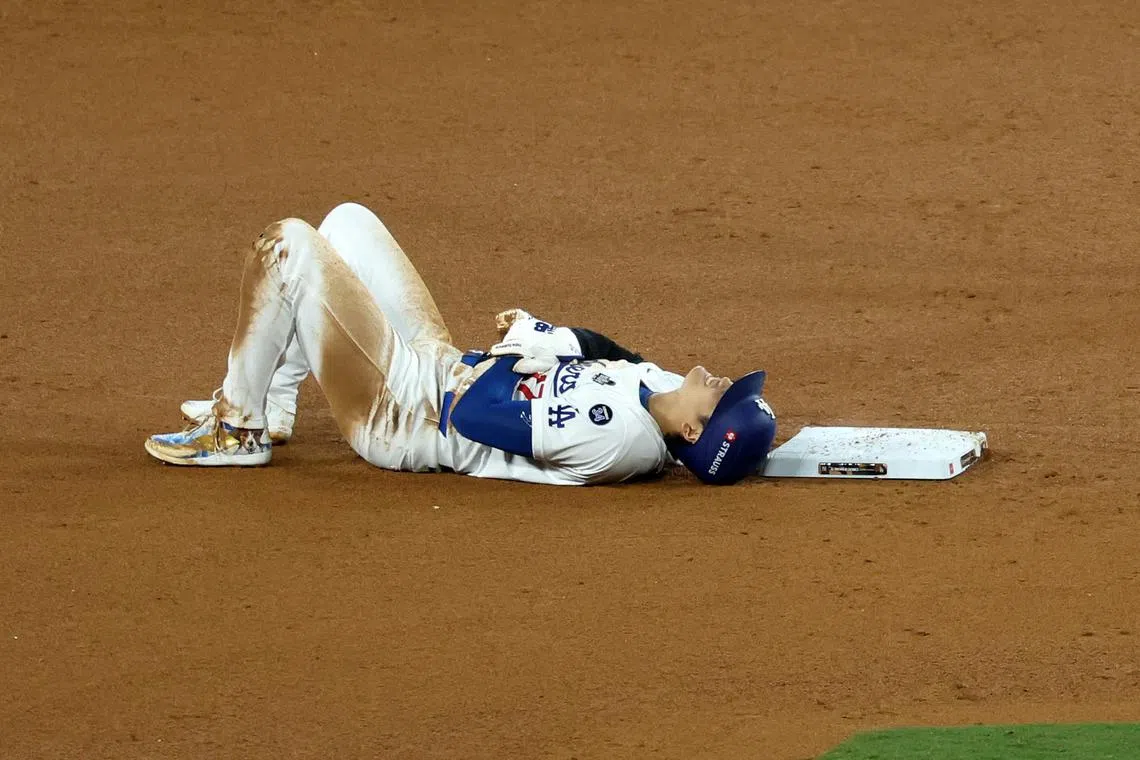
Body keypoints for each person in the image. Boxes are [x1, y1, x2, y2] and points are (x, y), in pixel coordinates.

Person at [144, 203, 777, 485]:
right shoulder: (664, 393)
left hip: (409, 413)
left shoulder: (621, 440)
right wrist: (547, 336)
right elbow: (607, 354)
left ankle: (239, 428)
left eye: (724, 396)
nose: (720, 379)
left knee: (289, 243)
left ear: (696, 433)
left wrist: (506, 361)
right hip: (442, 366)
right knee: (347, 223)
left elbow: (479, 417)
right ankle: (275, 406)